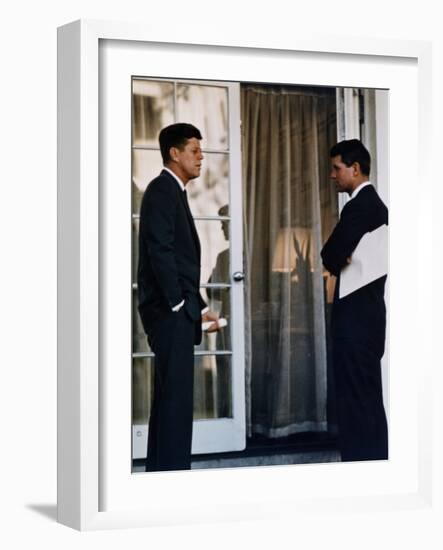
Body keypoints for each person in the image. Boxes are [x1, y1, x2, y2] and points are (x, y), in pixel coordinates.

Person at [137, 122, 220, 471]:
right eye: (195, 150)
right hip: (169, 315)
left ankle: (162, 474)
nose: (201, 158)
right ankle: (171, 479)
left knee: (170, 403)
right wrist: (179, 305)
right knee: (175, 405)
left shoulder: (173, 192)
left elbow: (180, 263)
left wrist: (197, 309)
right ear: (175, 153)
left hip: (177, 313)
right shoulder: (161, 190)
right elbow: (161, 252)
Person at [321, 139, 388, 461]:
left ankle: (364, 469)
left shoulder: (361, 206)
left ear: (355, 169)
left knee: (358, 402)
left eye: (336, 168)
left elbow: (330, 254)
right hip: (369, 319)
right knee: (367, 399)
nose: (332, 175)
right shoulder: (374, 206)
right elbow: (338, 255)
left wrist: (337, 256)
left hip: (357, 323)